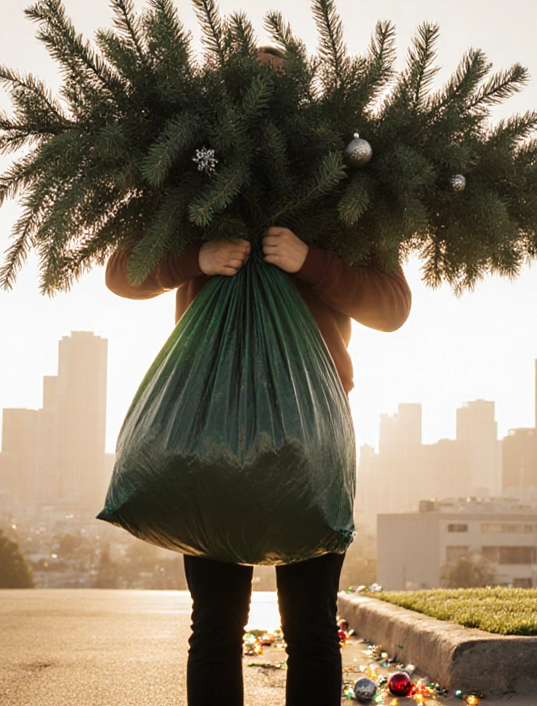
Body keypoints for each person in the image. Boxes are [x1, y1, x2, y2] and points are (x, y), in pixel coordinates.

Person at [105, 224, 410, 705]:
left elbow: (393, 306)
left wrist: (308, 259)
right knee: (216, 624)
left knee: (309, 623)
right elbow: (122, 271)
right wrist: (198, 257)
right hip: (213, 431)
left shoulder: (348, 188)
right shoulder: (196, 182)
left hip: (310, 431)